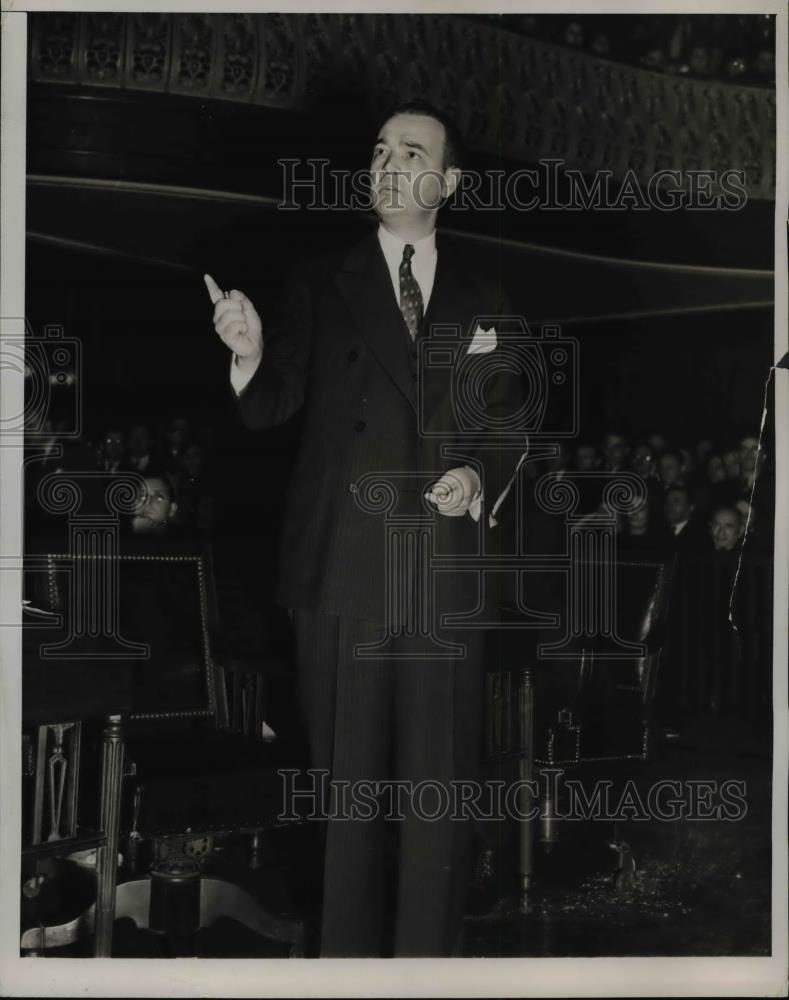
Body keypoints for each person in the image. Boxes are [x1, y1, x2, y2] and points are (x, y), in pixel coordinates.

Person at [205, 101, 522, 957]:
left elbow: (506, 430)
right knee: (344, 800)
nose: (386, 161)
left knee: (438, 797)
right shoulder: (319, 280)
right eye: (378, 148)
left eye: (409, 150)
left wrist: (474, 476)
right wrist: (246, 351)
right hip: (340, 573)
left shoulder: (486, 298)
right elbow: (272, 405)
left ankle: (428, 967)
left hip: (442, 580)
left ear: (447, 182)